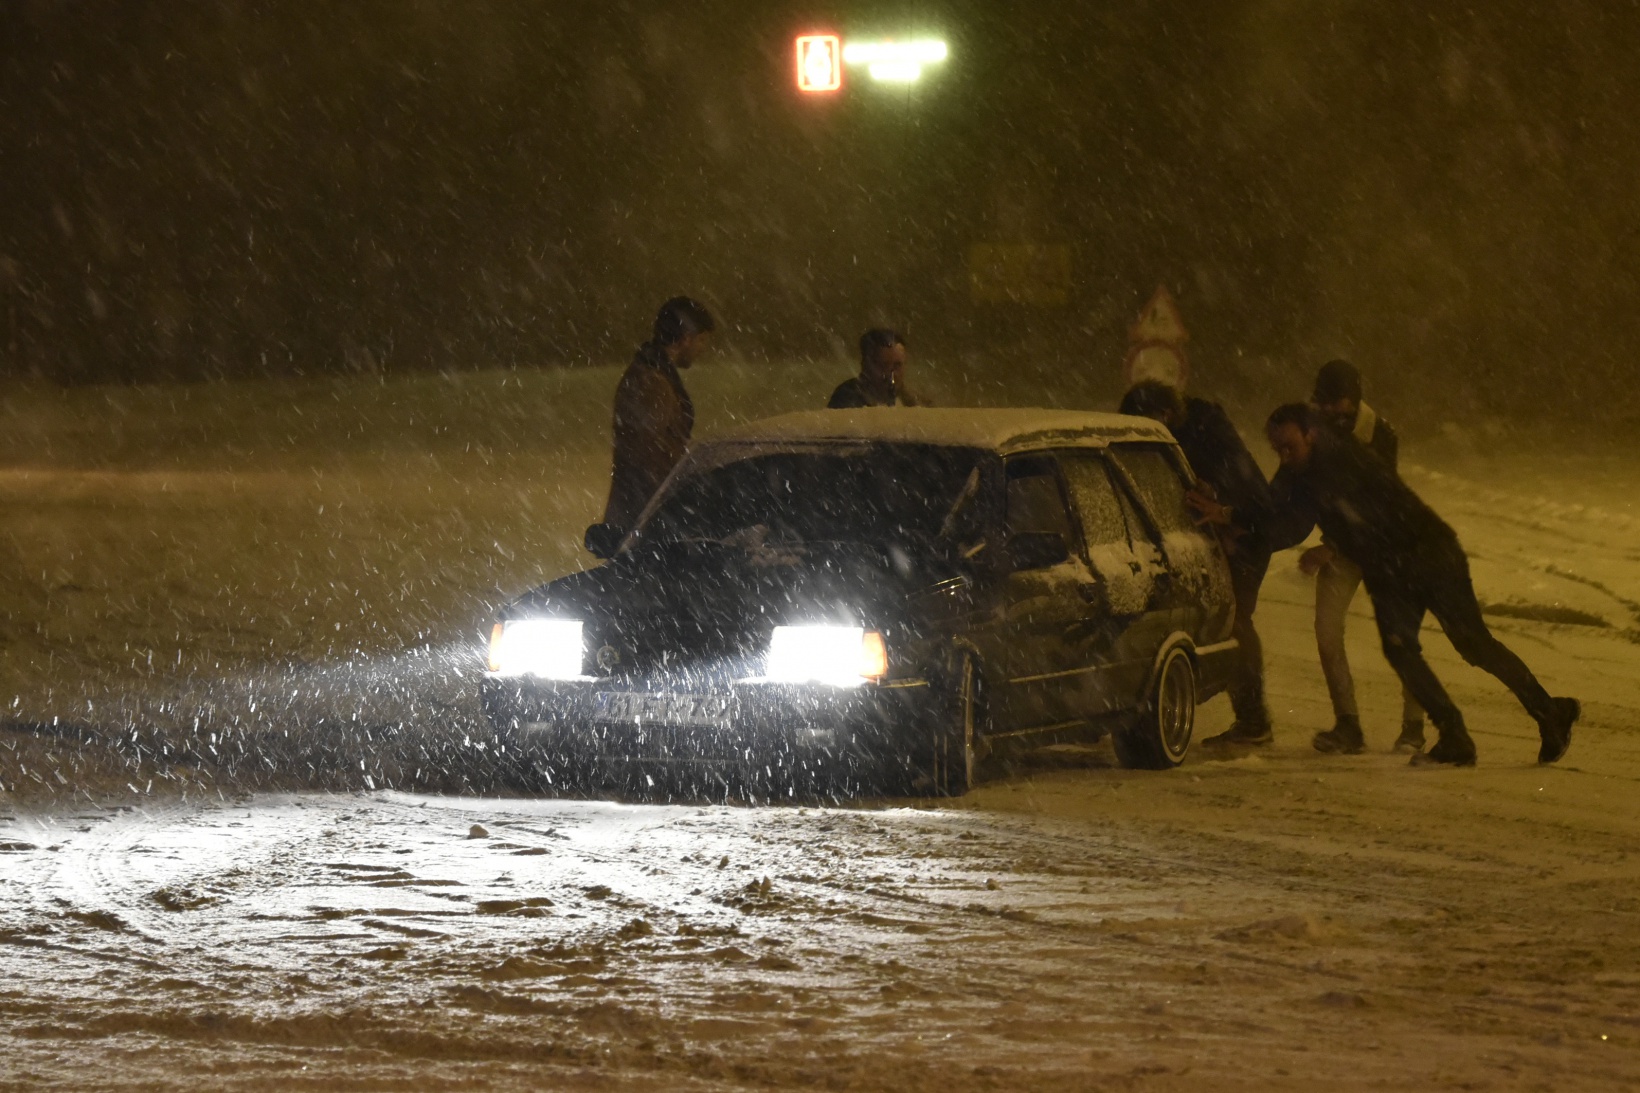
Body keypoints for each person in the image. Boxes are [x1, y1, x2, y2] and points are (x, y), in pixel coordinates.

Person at [1194, 403, 1578, 767]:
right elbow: (1283, 518)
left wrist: (1240, 518)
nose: (1284, 456)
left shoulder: (1339, 462)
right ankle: (1467, 732)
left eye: (1289, 446)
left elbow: (1300, 516)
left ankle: (1538, 715)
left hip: (1426, 554)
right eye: (1278, 449)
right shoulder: (1303, 468)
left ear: (1310, 434)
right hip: (1395, 564)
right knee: (1406, 650)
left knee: (1470, 645)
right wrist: (1231, 517)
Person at [1118, 380, 1274, 748]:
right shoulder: (1190, 428)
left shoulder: (1207, 431)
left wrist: (1217, 495)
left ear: (1164, 415)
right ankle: (1250, 718)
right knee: (1224, 620)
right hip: (1223, 535)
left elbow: (1242, 484)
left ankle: (1254, 721)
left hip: (1245, 535)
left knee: (1234, 621)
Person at [1303, 360, 1426, 755]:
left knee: (1400, 637)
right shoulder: (1319, 428)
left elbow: (1374, 501)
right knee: (1326, 631)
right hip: (1343, 545)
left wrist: (1332, 546)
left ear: (1352, 401)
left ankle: (1414, 727)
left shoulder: (1380, 435)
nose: (1330, 411)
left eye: (1336, 404)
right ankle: (1348, 724)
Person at [584, 296, 715, 558]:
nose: (702, 349)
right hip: (644, 518)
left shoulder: (653, 374)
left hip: (645, 515)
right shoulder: (650, 382)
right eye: (701, 340)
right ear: (686, 338)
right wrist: (672, 507)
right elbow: (648, 456)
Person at [828, 328, 923, 408]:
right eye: (883, 366)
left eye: (897, 365)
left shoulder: (915, 401)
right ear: (865, 365)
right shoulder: (847, 397)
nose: (891, 373)